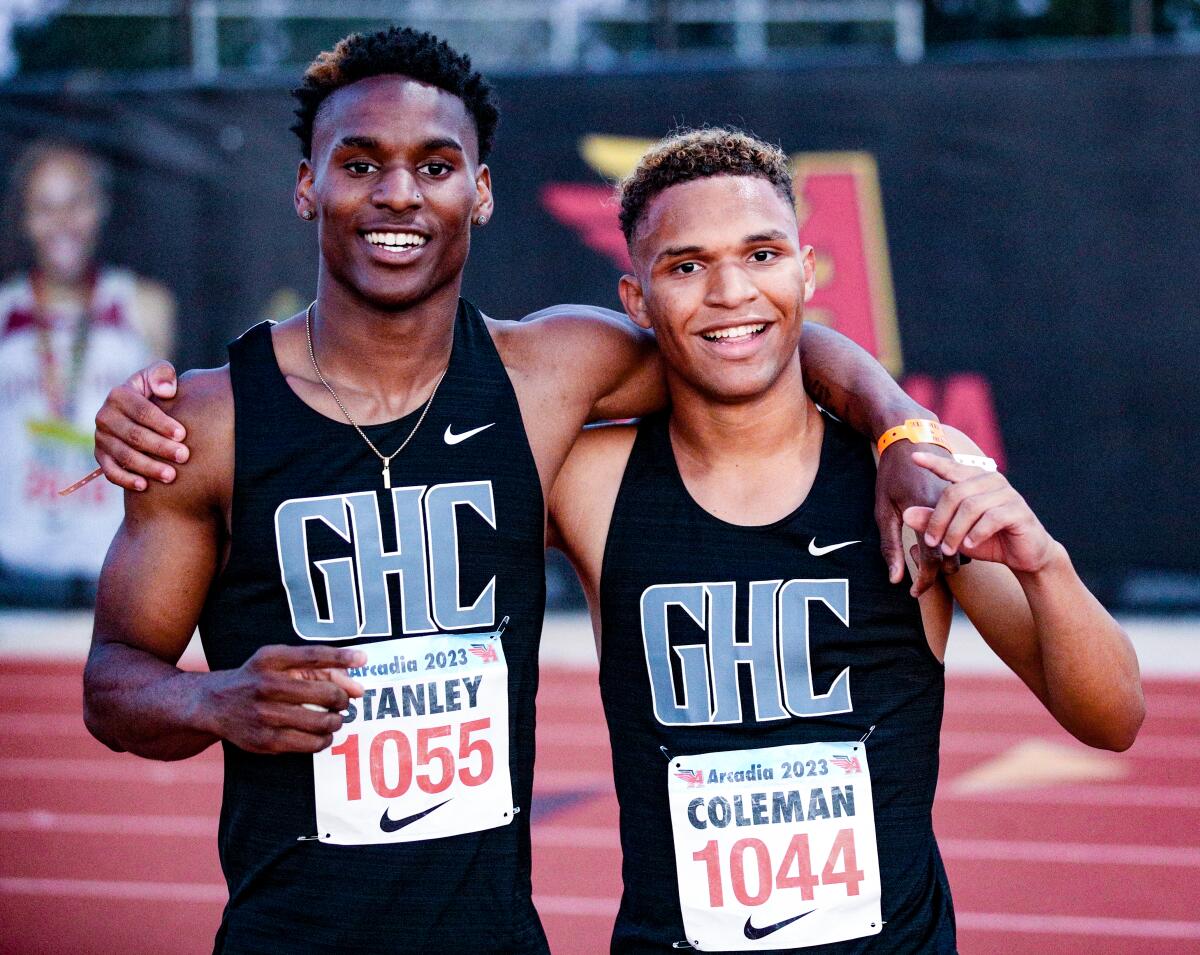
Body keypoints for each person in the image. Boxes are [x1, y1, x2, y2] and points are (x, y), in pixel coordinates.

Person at [82, 28, 960, 954]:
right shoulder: (211, 422)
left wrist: (897, 422)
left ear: (481, 191)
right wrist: (213, 700)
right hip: (288, 932)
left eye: (435, 164)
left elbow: (755, 337)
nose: (398, 193)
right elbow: (114, 681)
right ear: (307, 184)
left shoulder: (549, 374)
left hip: (494, 933)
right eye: (360, 162)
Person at [547, 128, 1144, 952]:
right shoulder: (592, 481)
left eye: (762, 254)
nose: (730, 291)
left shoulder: (914, 478)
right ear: (638, 300)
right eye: (687, 266)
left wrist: (1046, 562)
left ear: (806, 269)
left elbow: (1114, 718)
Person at [0, 142, 175, 607]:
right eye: (45, 207)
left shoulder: (144, 306)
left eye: (75, 202)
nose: (62, 223)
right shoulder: (2, 314)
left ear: (99, 208)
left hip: (115, 559)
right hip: (18, 568)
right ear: (23, 218)